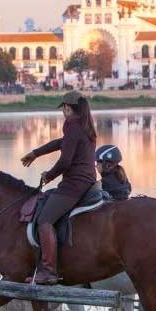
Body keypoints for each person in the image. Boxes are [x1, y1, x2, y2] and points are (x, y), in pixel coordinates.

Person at [19, 91, 98, 285]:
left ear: (68, 108)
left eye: (64, 107)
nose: (63, 111)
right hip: (87, 180)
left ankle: (48, 270)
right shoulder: (85, 125)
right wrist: (36, 153)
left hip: (74, 184)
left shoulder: (72, 124)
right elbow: (60, 144)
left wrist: (49, 175)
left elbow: (65, 161)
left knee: (45, 220)